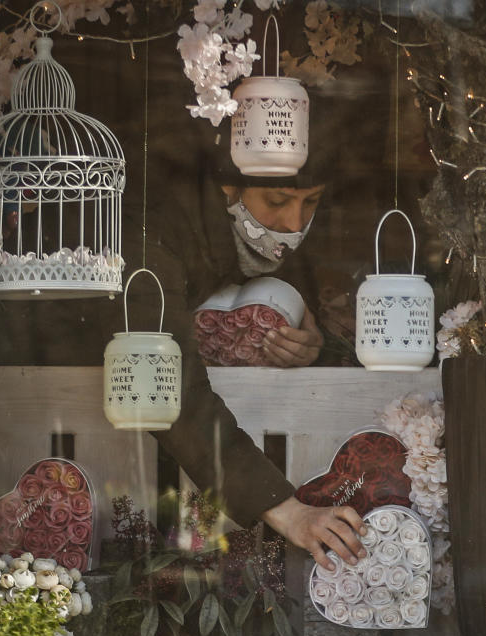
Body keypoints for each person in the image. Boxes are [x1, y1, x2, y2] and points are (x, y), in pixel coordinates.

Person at [128, 141, 366, 571]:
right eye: (277, 201)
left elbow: (316, 318)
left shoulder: (267, 238)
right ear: (227, 190)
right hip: (137, 470)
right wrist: (284, 510)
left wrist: (313, 347)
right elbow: (162, 381)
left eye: (311, 202)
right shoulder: (154, 231)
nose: (294, 223)